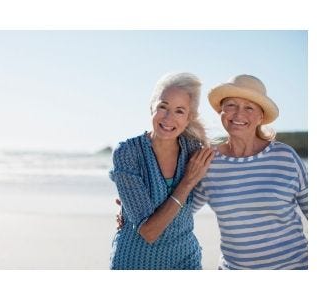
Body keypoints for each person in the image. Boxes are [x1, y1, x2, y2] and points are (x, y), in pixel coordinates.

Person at [193, 74, 308, 270]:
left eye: (249, 107)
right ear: (221, 111)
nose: (238, 114)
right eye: (230, 105)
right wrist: (132, 214)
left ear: (261, 116)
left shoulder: (285, 157)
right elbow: (181, 212)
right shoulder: (208, 161)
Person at [109, 72, 215, 270]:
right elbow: (149, 232)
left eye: (179, 111)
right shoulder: (128, 153)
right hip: (135, 262)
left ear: (189, 117)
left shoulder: (195, 150)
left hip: (185, 261)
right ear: (152, 107)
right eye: (163, 107)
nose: (168, 118)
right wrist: (187, 182)